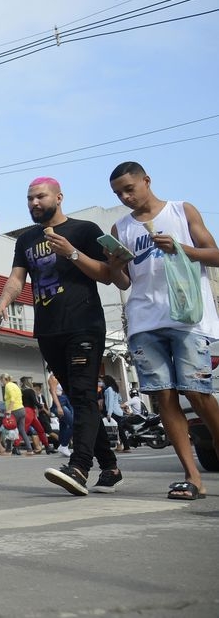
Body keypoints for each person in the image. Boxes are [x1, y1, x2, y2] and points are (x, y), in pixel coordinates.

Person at [0, 176, 120, 496]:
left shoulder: (86, 230)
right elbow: (16, 278)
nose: (34, 203)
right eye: (29, 199)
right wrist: (3, 301)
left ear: (59, 197)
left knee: (81, 395)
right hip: (48, 330)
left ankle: (78, 467)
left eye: (40, 197)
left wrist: (73, 254)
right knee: (81, 398)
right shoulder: (25, 241)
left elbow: (108, 276)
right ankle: (111, 466)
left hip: (84, 324)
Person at [107, 161, 219, 500]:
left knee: (198, 393)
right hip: (144, 320)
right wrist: (114, 267)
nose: (125, 197)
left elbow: (214, 254)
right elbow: (125, 281)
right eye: (118, 194)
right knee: (164, 396)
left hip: (186, 318)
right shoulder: (120, 228)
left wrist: (181, 249)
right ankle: (192, 476)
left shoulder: (181, 211)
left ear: (147, 181)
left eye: (129, 189)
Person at [47, 370, 74, 457]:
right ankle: (64, 445)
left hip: (65, 401)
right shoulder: (53, 377)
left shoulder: (60, 375)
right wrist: (58, 407)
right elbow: (53, 393)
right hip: (60, 402)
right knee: (74, 424)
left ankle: (62, 445)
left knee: (63, 425)